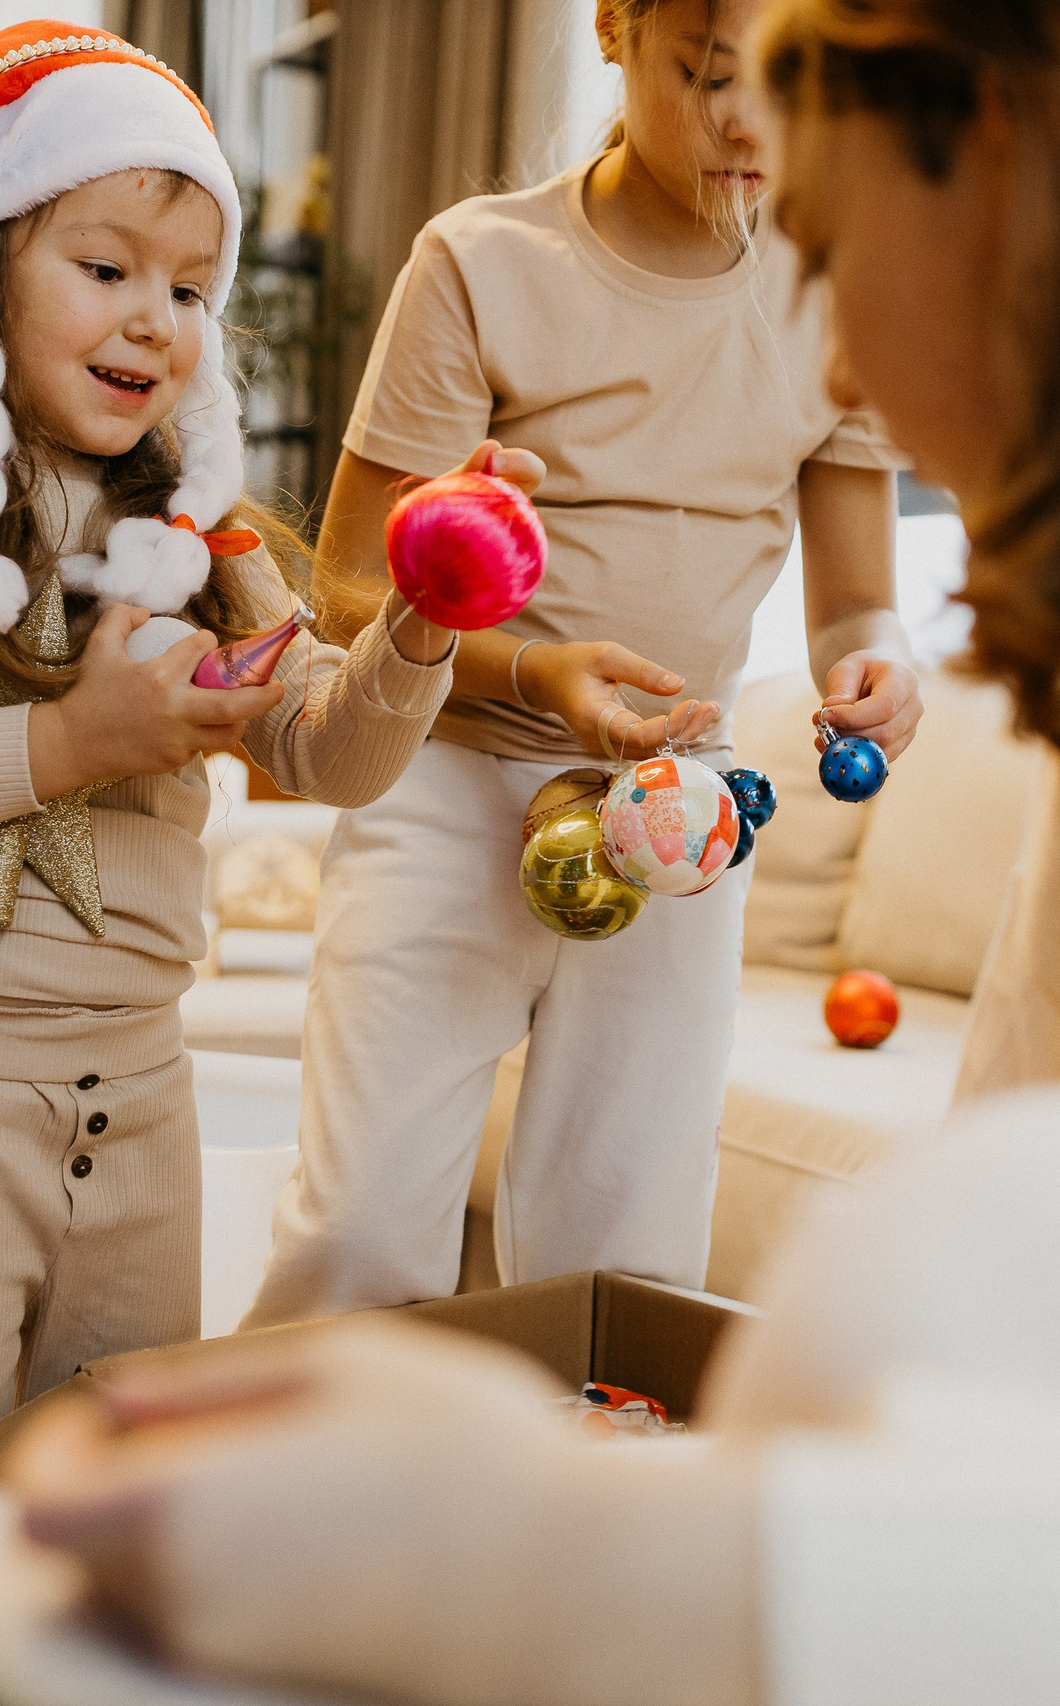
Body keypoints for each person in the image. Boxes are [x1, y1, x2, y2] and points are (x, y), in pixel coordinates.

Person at [5, 0, 1060, 1699]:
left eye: (824, 247)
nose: (829, 367)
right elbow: (1008, 1367)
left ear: (997, 141)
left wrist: (602, 1575)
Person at [0, 22, 479, 1495]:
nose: (159, 320)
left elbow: (328, 755)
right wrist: (68, 740)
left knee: (110, 1530)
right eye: (108, 269)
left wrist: (422, 624)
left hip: (142, 1091)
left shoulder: (200, 526)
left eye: (190, 287)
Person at [240, 0, 920, 1330]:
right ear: (613, 26)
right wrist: (538, 680)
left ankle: (575, 1520)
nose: (744, 122)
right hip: (444, 787)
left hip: (676, 809)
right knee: (363, 1224)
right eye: (708, 73)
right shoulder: (484, 263)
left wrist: (880, 666)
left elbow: (858, 607)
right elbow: (355, 582)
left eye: (782, 84)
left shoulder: (842, 282)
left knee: (628, 1241)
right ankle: (305, 1518)